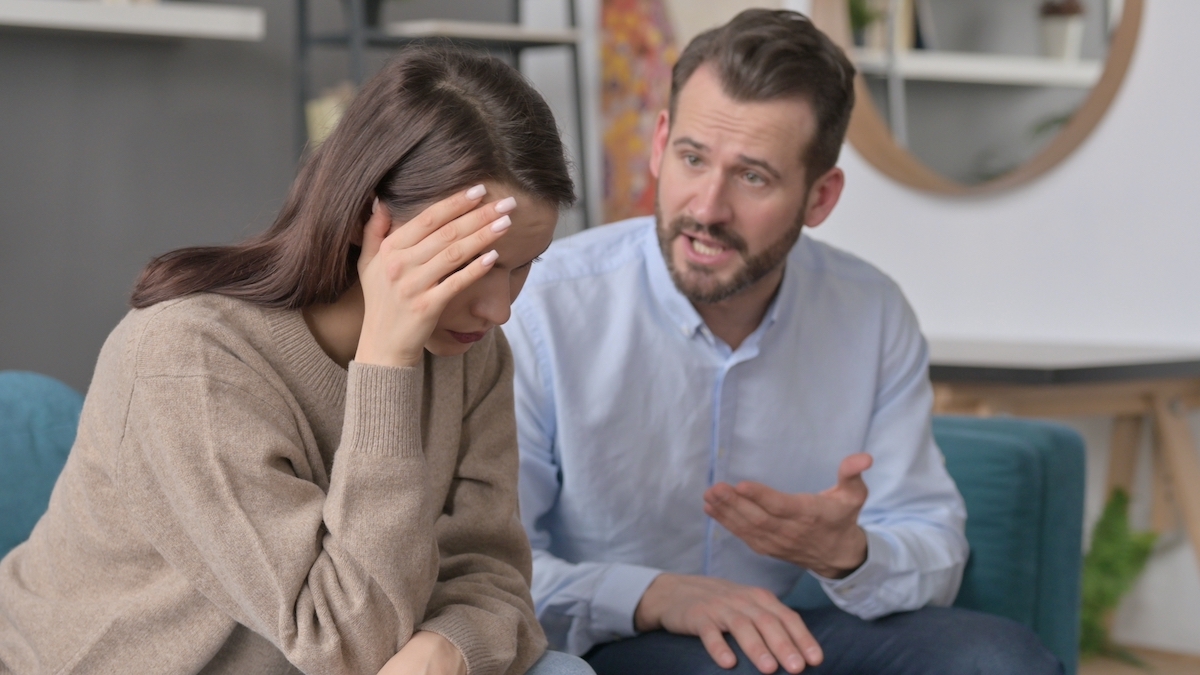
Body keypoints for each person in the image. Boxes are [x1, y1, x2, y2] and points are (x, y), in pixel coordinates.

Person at [0, 47, 594, 675]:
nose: (500, 309)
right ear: (375, 223)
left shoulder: (471, 353)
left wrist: (450, 648)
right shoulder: (187, 361)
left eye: (524, 266)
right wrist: (386, 365)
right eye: (474, 265)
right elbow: (344, 640)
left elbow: (493, 572)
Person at [504, 10, 1062, 675]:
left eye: (753, 177)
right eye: (691, 158)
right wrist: (657, 593)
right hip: (614, 635)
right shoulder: (544, 305)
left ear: (820, 197)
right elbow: (493, 570)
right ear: (659, 145)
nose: (707, 208)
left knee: (1003, 659)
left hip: (791, 627)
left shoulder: (872, 313)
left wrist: (847, 551)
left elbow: (933, 542)